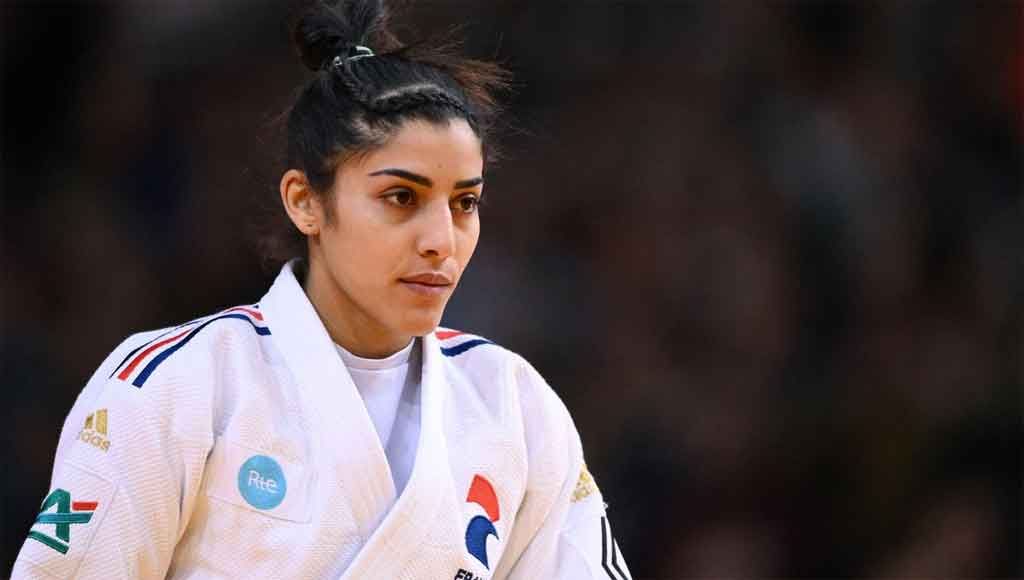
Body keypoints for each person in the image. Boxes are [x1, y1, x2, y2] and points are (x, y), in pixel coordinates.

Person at [12, 1, 631, 578]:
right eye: (401, 197)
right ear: (305, 201)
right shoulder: (178, 384)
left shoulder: (513, 406)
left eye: (464, 203)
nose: (441, 240)